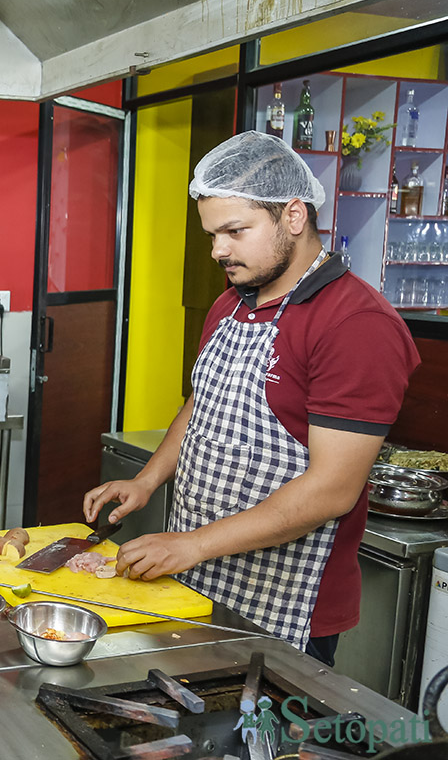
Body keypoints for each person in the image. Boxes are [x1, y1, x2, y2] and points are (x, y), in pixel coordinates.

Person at [82, 131, 420, 662]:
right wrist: (147, 481)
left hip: (286, 601)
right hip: (196, 578)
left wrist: (192, 544)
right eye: (213, 234)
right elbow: (202, 405)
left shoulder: (356, 325)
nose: (219, 250)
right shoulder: (231, 304)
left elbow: (331, 490)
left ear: (293, 216)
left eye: (235, 231)